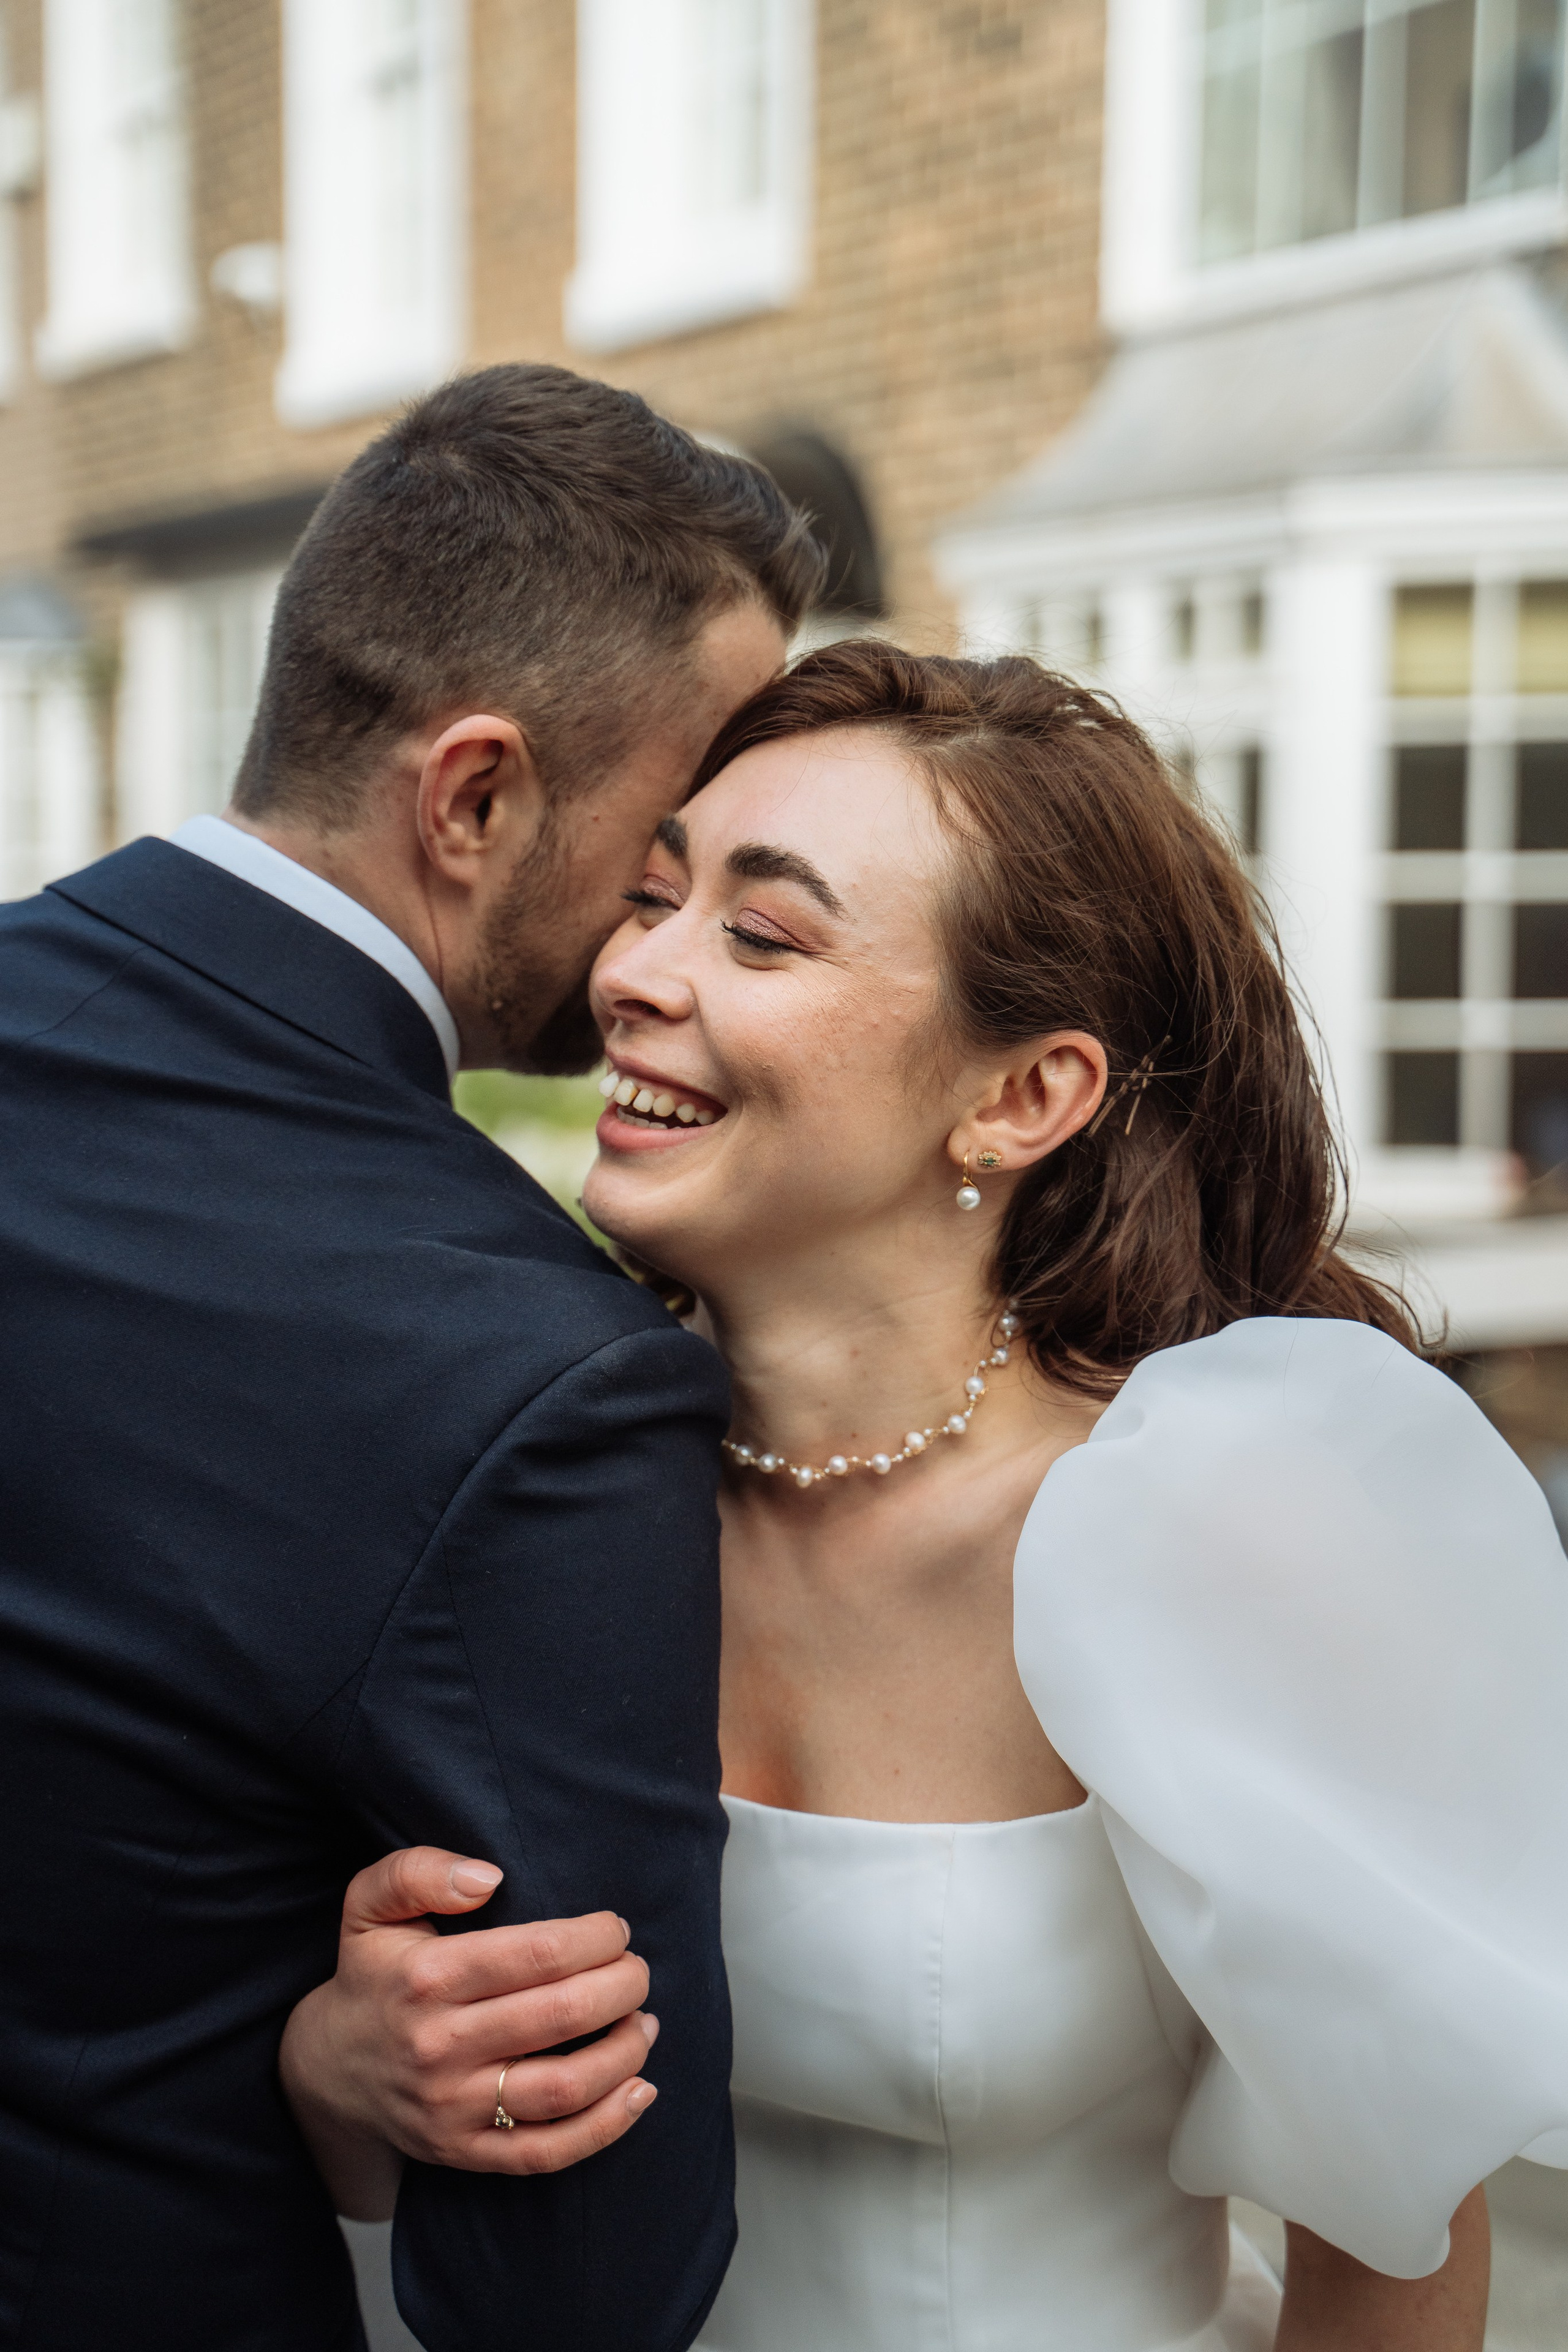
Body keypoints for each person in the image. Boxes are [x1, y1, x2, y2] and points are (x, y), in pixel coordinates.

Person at [295, 641, 1568, 2351]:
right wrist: (346, 2068)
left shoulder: (1221, 1529)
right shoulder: (503, 1485)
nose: (637, 974)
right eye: (654, 897)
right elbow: (388, 2176)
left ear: (1023, 1095)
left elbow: (1392, 2249)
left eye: (762, 931)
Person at [0, 363, 825, 2352]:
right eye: (658, 858)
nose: (655, 952)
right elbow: (586, 2273)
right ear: (475, 798)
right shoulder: (530, 1373)